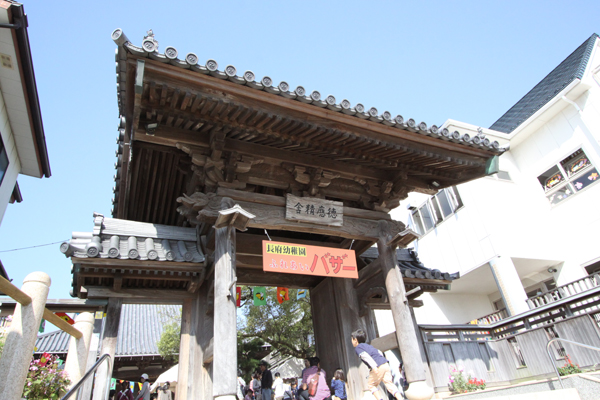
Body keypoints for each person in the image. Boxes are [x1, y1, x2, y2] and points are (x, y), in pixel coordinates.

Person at [351, 329, 402, 400]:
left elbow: (365, 356)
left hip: (377, 366)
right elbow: (379, 352)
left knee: (371, 385)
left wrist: (374, 367)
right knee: (389, 383)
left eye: (352, 339)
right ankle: (400, 398)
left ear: (355, 340)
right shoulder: (369, 346)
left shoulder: (358, 348)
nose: (351, 341)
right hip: (385, 363)